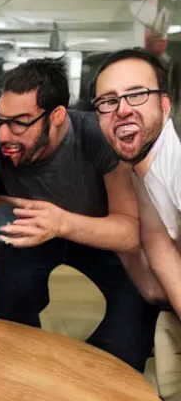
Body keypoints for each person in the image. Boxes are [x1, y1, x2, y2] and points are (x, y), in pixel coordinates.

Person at [0, 58, 158, 372]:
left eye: (20, 121)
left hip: (96, 234)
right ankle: (22, 373)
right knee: (4, 307)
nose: (4, 134)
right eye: (1, 118)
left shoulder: (97, 136)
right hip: (34, 232)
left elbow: (128, 231)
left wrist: (61, 222)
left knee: (133, 321)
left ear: (56, 115)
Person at [91, 48, 181, 399]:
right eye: (108, 102)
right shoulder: (143, 170)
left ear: (165, 104)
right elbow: (155, 286)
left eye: (137, 94)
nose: (122, 109)